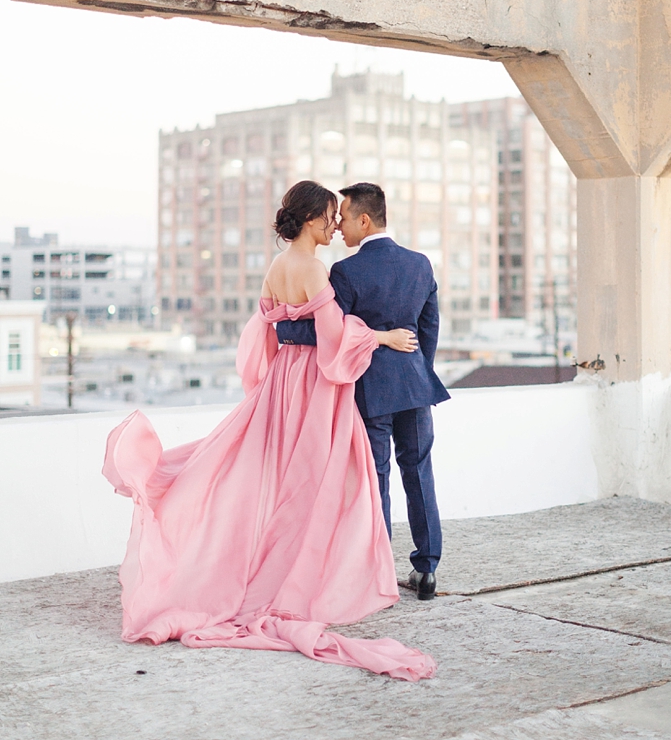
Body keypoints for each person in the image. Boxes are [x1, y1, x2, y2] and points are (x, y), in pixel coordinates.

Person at [102, 181, 436, 681]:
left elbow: (271, 332)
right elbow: (345, 339)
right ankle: (386, 568)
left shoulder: (286, 268)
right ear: (308, 221)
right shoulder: (347, 268)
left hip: (285, 383)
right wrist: (389, 339)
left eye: (339, 216)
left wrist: (272, 378)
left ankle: (329, 565)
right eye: (328, 216)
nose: (335, 224)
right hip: (343, 385)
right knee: (347, 481)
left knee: (308, 481)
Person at [277, 183, 450, 601]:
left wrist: (282, 327)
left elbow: (331, 332)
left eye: (344, 217)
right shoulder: (420, 264)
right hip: (414, 385)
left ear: (364, 220)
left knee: (376, 480)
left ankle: (381, 570)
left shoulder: (346, 272)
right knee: (419, 472)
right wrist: (416, 370)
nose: (339, 224)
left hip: (369, 389)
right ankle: (426, 570)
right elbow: (429, 329)